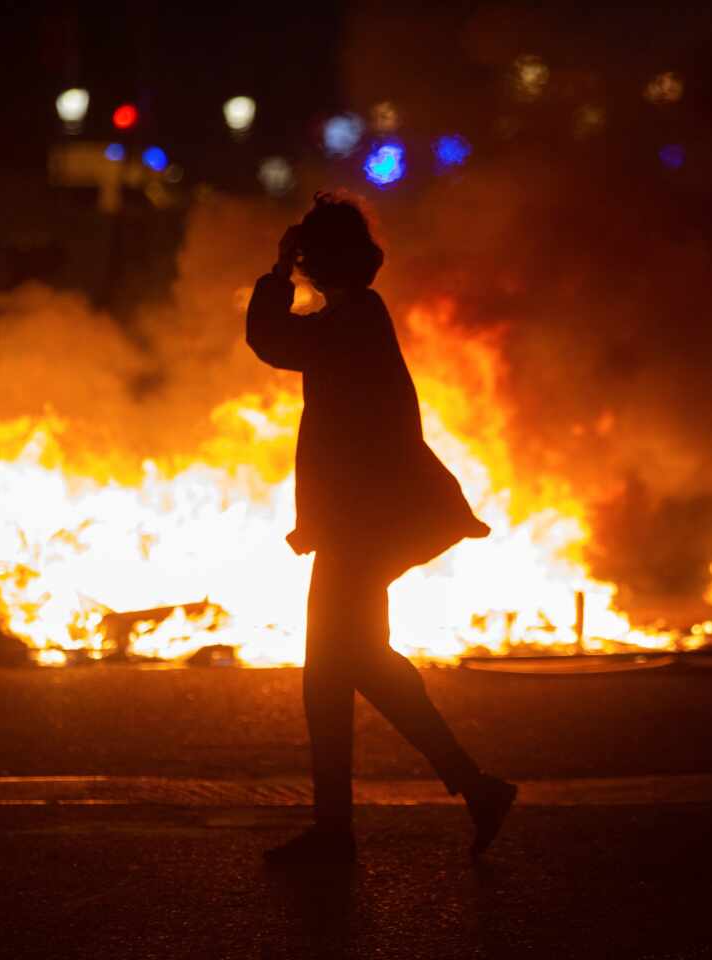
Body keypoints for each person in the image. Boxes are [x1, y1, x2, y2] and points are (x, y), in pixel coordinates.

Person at [246, 191, 518, 866]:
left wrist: (276, 273)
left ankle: (361, 825)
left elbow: (270, 340)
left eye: (308, 257)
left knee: (339, 667)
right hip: (361, 523)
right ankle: (467, 789)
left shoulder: (354, 321)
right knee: (348, 665)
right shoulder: (356, 316)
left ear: (319, 261)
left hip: (364, 526)